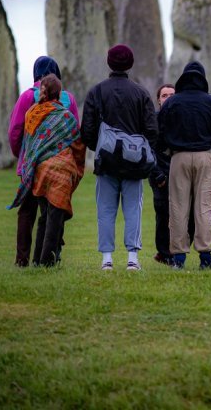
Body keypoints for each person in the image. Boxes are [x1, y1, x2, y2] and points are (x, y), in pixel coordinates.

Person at [81, 44, 158, 271]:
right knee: (133, 208)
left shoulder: (96, 92)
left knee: (105, 210)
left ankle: (107, 259)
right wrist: (141, 149)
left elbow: (87, 129)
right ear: (130, 64)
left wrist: (102, 147)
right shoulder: (141, 93)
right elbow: (152, 130)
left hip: (106, 161)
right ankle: (132, 258)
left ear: (109, 62)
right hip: (134, 161)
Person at [157, 61, 211, 270]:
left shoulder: (172, 102)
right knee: (204, 208)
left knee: (178, 208)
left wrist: (167, 149)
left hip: (178, 157)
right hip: (204, 156)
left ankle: (178, 259)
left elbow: (158, 132)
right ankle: (205, 259)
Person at [8, 56, 79, 267]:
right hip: (60, 165)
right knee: (55, 209)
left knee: (27, 211)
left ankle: (22, 259)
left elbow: (15, 131)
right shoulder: (68, 99)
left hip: (32, 164)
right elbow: (74, 133)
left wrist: (20, 156)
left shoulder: (27, 98)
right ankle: (52, 253)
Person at [150, 82, 195, 265]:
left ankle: (180, 246)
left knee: (189, 212)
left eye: (171, 95)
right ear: (159, 100)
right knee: (163, 213)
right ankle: (164, 253)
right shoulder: (153, 121)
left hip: (182, 171)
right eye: (164, 96)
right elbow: (148, 149)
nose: (168, 98)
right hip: (160, 171)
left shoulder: (184, 118)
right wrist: (157, 174)